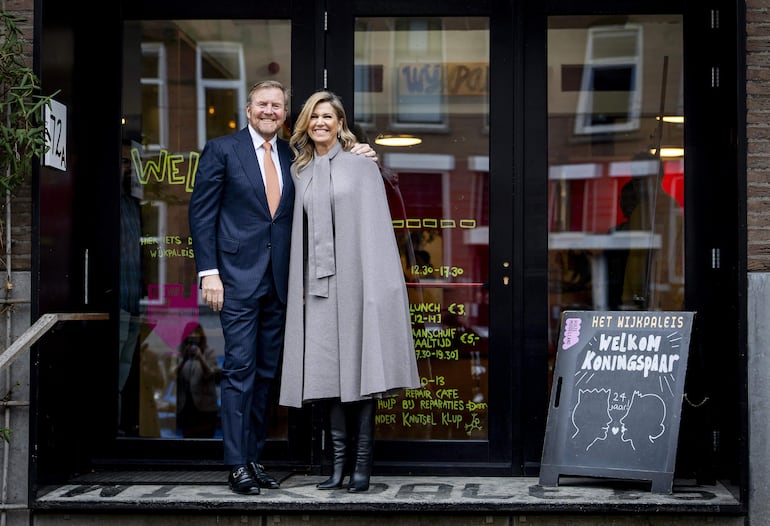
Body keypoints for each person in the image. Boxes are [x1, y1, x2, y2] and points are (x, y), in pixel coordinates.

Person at [188, 80, 376, 496]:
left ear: (285, 113)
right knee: (239, 369)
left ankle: (254, 459)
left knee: (265, 374)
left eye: (277, 105)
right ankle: (237, 464)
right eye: (262, 104)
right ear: (249, 108)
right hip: (235, 280)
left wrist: (359, 151)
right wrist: (209, 273)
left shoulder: (296, 156)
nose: (269, 111)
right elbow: (201, 215)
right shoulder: (222, 150)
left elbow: (331, 171)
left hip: (280, 282)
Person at [278, 90, 420, 493]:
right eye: (314, 116)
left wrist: (378, 284)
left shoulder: (361, 165)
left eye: (328, 116)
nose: (320, 122)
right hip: (319, 288)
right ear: (306, 124)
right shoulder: (300, 170)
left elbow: (376, 229)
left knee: (362, 372)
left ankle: (361, 467)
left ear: (340, 123)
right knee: (328, 377)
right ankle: (337, 467)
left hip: (357, 281)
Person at [175, 322, 221, 438]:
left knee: (205, 442)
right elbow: (173, 376)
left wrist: (200, 357)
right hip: (186, 407)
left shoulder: (209, 352)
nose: (193, 336)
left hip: (206, 407)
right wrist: (184, 359)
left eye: (196, 333)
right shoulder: (181, 353)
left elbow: (210, 374)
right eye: (190, 333)